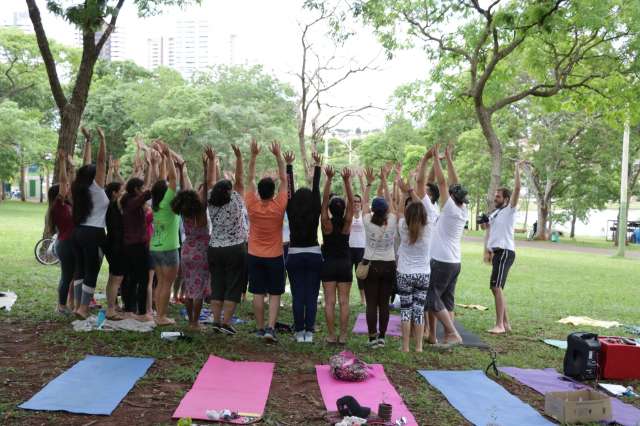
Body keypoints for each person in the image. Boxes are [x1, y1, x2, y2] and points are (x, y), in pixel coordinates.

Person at [244, 140, 288, 343]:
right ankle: (270, 328)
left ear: (259, 192)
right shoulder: (279, 206)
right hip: (275, 256)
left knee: (258, 293)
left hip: (254, 255)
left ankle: (260, 329)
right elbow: (284, 180)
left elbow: (249, 177)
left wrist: (253, 156)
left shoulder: (251, 204)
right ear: (273, 192)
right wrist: (278, 155)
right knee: (275, 293)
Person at [426, 145, 467, 346]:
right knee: (447, 300)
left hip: (442, 261)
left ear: (451, 196)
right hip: (454, 261)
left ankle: (451, 333)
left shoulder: (449, 207)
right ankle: (443, 337)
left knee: (430, 296)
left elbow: (443, 182)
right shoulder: (463, 208)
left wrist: (435, 158)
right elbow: (455, 183)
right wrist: (449, 158)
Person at [207, 145, 247, 335]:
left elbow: (210, 181)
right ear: (230, 191)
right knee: (233, 285)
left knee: (217, 284)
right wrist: (239, 158)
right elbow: (240, 179)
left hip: (214, 247)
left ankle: (215, 321)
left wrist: (211, 161)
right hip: (235, 248)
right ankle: (226, 322)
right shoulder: (236, 200)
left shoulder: (210, 200)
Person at [70, 127, 108, 319]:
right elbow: (100, 162)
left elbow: (86, 165)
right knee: (91, 270)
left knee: (80, 269)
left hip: (77, 232)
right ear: (95, 176)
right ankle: (84, 308)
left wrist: (87, 142)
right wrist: (102, 139)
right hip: (94, 232)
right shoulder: (97, 186)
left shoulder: (78, 186)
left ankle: (78, 305)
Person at [285, 151, 323, 343]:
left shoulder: (290, 207)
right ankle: (309, 331)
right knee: (312, 294)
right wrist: (317, 166)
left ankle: (299, 332)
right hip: (314, 254)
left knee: (298, 294)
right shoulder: (316, 206)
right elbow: (316, 188)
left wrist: (289, 166)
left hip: (294, 254)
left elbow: (289, 190)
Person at [171, 156, 211, 331]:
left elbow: (182, 192)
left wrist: (181, 171)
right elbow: (207, 185)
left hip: (186, 251)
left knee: (188, 287)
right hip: (201, 252)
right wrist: (205, 167)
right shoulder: (201, 211)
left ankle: (190, 322)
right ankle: (195, 322)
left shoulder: (183, 212)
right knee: (199, 290)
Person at [483, 161, 522, 334]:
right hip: (497, 251)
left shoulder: (509, 210)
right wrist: (487, 249)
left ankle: (499, 325)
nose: (495, 198)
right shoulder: (495, 213)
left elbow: (518, 190)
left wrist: (517, 170)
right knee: (496, 287)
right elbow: (488, 230)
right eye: (495, 196)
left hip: (505, 251)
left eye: (498, 197)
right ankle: (505, 323)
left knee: (496, 287)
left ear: (506, 199)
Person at [361, 166, 397, 348]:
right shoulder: (392, 220)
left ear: (373, 210)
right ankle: (382, 337)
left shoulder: (367, 221)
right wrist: (385, 180)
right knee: (384, 303)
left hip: (371, 264)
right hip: (390, 265)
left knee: (371, 303)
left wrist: (369, 183)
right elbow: (390, 202)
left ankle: (372, 337)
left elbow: (365, 202)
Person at [395, 176, 430, 352]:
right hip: (423, 275)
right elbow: (423, 208)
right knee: (419, 309)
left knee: (405, 310)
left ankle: (406, 347)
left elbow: (400, 212)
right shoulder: (429, 228)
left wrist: (403, 194)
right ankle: (419, 347)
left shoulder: (403, 226)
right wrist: (410, 191)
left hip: (404, 274)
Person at [149, 141, 180, 325]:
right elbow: (174, 179)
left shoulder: (156, 204)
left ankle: (159, 315)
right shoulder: (168, 201)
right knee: (166, 284)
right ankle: (161, 317)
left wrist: (159, 161)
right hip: (169, 249)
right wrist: (168, 157)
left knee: (161, 283)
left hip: (155, 247)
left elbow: (159, 183)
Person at [45, 150, 75, 314]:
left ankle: (71, 303)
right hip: (65, 244)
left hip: (71, 243)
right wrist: (62, 163)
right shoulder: (58, 206)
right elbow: (64, 182)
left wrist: (71, 167)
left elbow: (69, 183)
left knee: (73, 276)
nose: (69, 189)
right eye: (66, 188)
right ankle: (61, 306)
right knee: (67, 275)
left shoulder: (68, 205)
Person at [103, 180, 126, 319]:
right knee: (116, 279)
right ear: (114, 193)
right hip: (117, 245)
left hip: (111, 242)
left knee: (112, 278)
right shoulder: (115, 205)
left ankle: (112, 306)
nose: (123, 192)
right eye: (121, 190)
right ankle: (111, 310)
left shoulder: (109, 205)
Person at [350, 174, 367, 305]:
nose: (356, 203)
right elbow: (347, 197)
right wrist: (348, 181)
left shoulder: (364, 215)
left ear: (361, 203)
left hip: (361, 248)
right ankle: (346, 298)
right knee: (347, 274)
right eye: (354, 201)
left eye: (358, 201)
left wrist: (362, 181)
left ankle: (363, 299)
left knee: (360, 274)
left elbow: (366, 198)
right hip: (349, 248)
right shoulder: (348, 215)